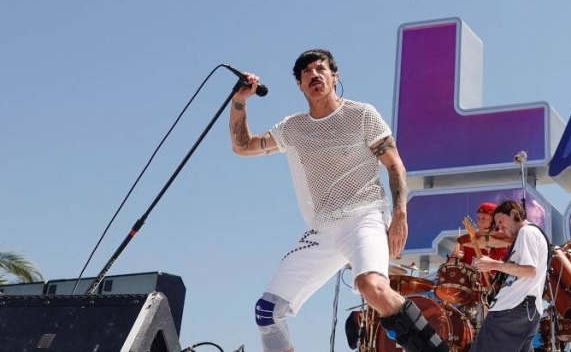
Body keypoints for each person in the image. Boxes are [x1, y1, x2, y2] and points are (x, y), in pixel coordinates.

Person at [229, 49, 447, 352]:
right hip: (322, 229)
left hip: (365, 216)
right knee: (267, 312)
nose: (314, 75)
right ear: (300, 85)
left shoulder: (361, 115)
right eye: (306, 72)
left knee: (372, 287)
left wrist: (400, 216)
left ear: (335, 77)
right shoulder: (293, 128)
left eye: (321, 69)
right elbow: (242, 146)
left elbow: (395, 165)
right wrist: (240, 101)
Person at [472, 200, 548, 352]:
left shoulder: (527, 232)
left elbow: (529, 270)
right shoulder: (530, 234)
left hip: (512, 309)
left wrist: (493, 265)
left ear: (514, 213)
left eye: (501, 221)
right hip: (525, 311)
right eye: (497, 225)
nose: (500, 227)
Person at [452, 202, 510, 276]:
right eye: (478, 218)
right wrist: (454, 258)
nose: (480, 220)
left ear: (494, 220)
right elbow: (452, 268)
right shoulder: (466, 241)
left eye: (484, 218)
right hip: (472, 284)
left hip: (499, 284)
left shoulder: (505, 240)